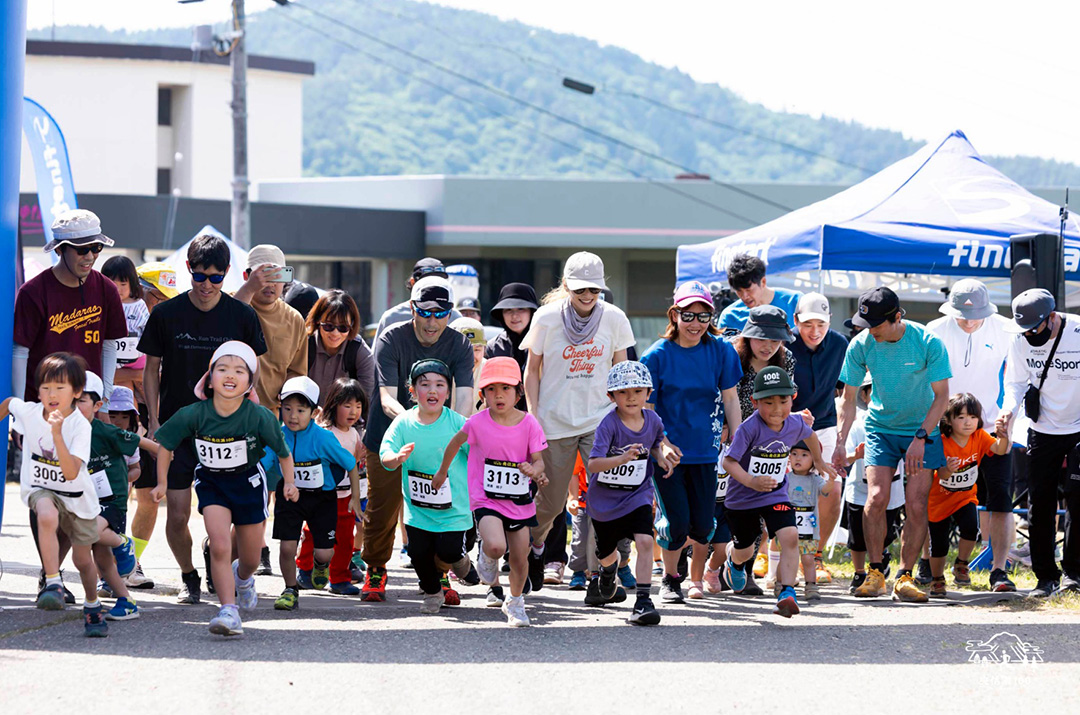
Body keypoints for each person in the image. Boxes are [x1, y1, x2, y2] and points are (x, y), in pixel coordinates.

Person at [139, 234, 267, 605]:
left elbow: (254, 369)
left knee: (235, 514)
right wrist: (154, 420)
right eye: (199, 276)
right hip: (178, 429)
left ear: (227, 274)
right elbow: (151, 369)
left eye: (215, 277)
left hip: (229, 431)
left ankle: (220, 557)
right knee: (177, 514)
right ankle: (188, 575)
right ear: (188, 271)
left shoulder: (242, 315)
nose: (207, 285)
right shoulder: (166, 313)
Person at [154, 341, 294, 636]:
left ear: (249, 382)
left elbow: (283, 452)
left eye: (239, 371)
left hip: (248, 483)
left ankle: (243, 579)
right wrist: (163, 482)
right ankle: (228, 610)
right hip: (212, 482)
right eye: (223, 369)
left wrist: (290, 482)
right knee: (219, 545)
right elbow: (165, 444)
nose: (230, 375)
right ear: (210, 377)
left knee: (251, 559)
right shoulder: (193, 413)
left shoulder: (259, 416)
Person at [521, 252, 637, 592]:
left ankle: (608, 571)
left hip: (598, 420)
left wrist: (624, 419)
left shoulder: (615, 318)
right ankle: (534, 550)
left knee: (609, 497)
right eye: (580, 290)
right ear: (566, 286)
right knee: (551, 503)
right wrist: (533, 415)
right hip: (553, 421)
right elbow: (532, 371)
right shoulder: (546, 318)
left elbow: (622, 373)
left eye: (594, 290)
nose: (587, 297)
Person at [361, 277, 475, 602]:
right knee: (383, 508)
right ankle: (376, 569)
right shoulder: (391, 338)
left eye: (441, 313)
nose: (432, 321)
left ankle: (439, 575)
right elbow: (386, 398)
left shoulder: (460, 344)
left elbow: (465, 400)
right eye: (425, 312)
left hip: (441, 439)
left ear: (451, 313)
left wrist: (452, 434)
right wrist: (415, 423)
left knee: (439, 506)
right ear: (412, 309)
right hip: (391, 433)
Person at [834, 286, 951, 603]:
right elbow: (847, 397)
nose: (869, 331)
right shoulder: (861, 344)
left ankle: (905, 576)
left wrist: (921, 437)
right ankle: (874, 573)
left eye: (875, 325)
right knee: (875, 497)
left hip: (921, 429)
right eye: (865, 324)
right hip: (880, 428)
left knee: (916, 504)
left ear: (897, 317)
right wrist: (840, 442)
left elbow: (942, 398)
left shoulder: (927, 342)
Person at [640, 280, 742, 602]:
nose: (695, 323)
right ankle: (671, 579)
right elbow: (647, 409)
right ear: (674, 315)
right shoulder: (655, 356)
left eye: (703, 316)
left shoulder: (721, 350)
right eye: (688, 315)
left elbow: (731, 400)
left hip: (706, 451)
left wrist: (737, 441)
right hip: (668, 453)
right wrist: (659, 445)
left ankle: (693, 576)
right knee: (677, 522)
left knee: (702, 525)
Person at [434, 357, 548, 626]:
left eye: (506, 388)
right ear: (482, 394)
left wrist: (535, 470)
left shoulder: (529, 423)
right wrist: (442, 472)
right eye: (491, 389)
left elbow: (540, 459)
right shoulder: (477, 422)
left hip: (519, 500)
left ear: (518, 393)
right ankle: (487, 551)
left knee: (520, 557)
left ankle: (516, 602)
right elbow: (453, 445)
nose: (499, 395)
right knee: (497, 546)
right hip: (486, 498)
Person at [1, 353, 107, 636]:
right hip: (42, 488)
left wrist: (57, 434)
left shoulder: (79, 426)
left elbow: (71, 472)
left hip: (77, 497)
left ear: (77, 392)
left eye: (60, 388)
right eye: (46, 387)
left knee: (83, 562)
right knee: (45, 514)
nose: (52, 394)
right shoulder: (31, 412)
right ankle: (52, 582)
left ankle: (92, 605)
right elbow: (10, 404)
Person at [722, 367, 837, 618]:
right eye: (768, 402)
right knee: (747, 547)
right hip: (742, 498)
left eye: (783, 401)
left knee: (790, 536)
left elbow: (810, 435)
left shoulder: (794, 422)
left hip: (775, 493)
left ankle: (787, 592)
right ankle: (735, 561)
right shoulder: (748, 428)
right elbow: (729, 462)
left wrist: (818, 461)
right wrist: (751, 481)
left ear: (792, 399)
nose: (777, 409)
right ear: (754, 402)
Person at [927, 278, 1016, 591]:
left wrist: (1008, 412)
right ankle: (927, 564)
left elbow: (1016, 376)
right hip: (943, 428)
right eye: (961, 315)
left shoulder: (1006, 329)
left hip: (989, 426)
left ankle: (999, 569)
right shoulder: (934, 330)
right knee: (930, 496)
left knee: (1001, 499)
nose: (968, 321)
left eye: (975, 315)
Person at [1000, 288, 1080, 597]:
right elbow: (1015, 383)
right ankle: (1046, 577)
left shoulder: (1076, 330)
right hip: (1042, 428)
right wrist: (1008, 412)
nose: (1030, 334)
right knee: (1039, 503)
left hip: (1077, 428)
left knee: (1077, 499)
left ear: (1051, 317)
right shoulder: (1019, 340)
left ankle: (1074, 576)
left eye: (1035, 327)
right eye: (1024, 329)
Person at [380, 359, 474, 614]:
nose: (432, 390)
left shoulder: (457, 422)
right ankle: (433, 592)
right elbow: (385, 453)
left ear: (447, 392)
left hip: (454, 507)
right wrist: (396, 458)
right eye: (425, 385)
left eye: (439, 385)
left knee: (449, 550)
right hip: (418, 507)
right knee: (418, 553)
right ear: (412, 391)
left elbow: (479, 451)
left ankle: (461, 561)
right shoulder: (403, 423)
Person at [585, 361, 672, 624]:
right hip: (605, 502)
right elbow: (593, 464)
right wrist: (622, 458)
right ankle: (608, 571)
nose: (631, 397)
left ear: (648, 393)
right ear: (611, 397)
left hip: (638, 496)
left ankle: (643, 601)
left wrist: (664, 454)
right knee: (607, 553)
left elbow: (657, 443)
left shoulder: (653, 419)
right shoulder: (609, 424)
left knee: (646, 541)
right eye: (623, 392)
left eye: (637, 390)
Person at [13, 209, 126, 412]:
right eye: (82, 249)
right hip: (42, 407)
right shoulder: (33, 292)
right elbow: (20, 351)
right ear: (59, 250)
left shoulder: (107, 289)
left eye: (96, 247)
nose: (90, 256)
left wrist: (104, 403)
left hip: (87, 407)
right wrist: (21, 409)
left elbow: (109, 346)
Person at [267, 377, 359, 611]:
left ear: (314, 411)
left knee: (325, 552)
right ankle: (290, 589)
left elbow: (350, 464)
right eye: (287, 409)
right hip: (289, 496)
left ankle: (320, 565)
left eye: (300, 410)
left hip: (322, 499)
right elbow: (262, 463)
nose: (293, 416)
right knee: (287, 547)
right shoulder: (277, 436)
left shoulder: (323, 438)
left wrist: (355, 498)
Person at [76, 371, 156, 620]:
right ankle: (126, 601)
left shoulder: (106, 431)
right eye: (71, 400)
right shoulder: (66, 431)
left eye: (81, 401)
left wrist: (163, 463)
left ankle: (123, 543)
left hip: (112, 502)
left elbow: (148, 446)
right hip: (88, 501)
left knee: (90, 533)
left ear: (97, 405)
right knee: (102, 560)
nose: (74, 407)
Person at [731, 304, 798, 590]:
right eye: (761, 338)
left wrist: (795, 418)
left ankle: (745, 573)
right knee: (735, 514)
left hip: (768, 445)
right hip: (735, 440)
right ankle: (722, 566)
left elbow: (786, 400)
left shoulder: (787, 359)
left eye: (775, 339)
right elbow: (723, 396)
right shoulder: (733, 357)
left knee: (767, 508)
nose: (768, 346)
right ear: (748, 336)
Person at [789, 292, 848, 583]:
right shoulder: (783, 344)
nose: (815, 331)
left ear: (829, 323)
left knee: (830, 490)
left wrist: (841, 435)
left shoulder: (840, 344)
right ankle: (766, 553)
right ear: (796, 320)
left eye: (821, 325)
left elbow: (845, 389)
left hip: (823, 424)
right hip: (783, 424)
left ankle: (814, 556)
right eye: (808, 324)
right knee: (776, 491)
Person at [929, 393, 1011, 598]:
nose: (968, 422)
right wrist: (947, 469)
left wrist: (1003, 437)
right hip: (938, 500)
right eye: (961, 417)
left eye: (973, 417)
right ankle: (937, 579)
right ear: (949, 419)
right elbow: (941, 476)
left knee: (970, 529)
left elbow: (999, 451)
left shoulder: (980, 436)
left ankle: (961, 564)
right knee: (939, 545)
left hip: (965, 497)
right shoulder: (941, 441)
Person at [294, 378, 369, 594]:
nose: (353, 411)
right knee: (313, 534)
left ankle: (339, 578)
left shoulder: (354, 433)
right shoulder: (322, 432)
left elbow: (356, 468)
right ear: (333, 405)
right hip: (322, 496)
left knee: (345, 539)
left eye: (358, 406)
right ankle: (305, 569)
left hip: (345, 497)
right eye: (347, 405)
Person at [842, 375, 904, 594]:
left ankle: (880, 558)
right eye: (874, 392)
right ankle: (860, 572)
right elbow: (844, 456)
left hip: (893, 490)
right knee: (857, 537)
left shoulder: (902, 422)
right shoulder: (859, 425)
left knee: (885, 532)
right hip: (860, 490)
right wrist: (855, 455)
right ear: (865, 396)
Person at [234, 244, 308, 413]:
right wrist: (248, 289)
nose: (271, 283)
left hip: (270, 418)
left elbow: (297, 372)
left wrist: (289, 391)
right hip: (228, 413)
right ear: (247, 276)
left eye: (277, 275)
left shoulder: (294, 319)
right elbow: (226, 324)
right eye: (263, 275)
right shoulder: (232, 302)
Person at [785, 440, 838, 601]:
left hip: (808, 528)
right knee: (786, 557)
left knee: (808, 558)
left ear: (814, 460)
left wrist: (830, 481)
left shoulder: (815, 480)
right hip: (789, 526)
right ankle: (782, 584)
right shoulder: (785, 478)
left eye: (804, 455)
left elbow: (825, 490)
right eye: (794, 454)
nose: (798, 459)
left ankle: (810, 585)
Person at [306, 289, 376, 406]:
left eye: (343, 327)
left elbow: (365, 400)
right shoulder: (303, 344)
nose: (335, 333)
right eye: (328, 326)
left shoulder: (360, 352)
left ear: (352, 325)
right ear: (318, 321)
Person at [374, 258, 462, 339]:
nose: (432, 322)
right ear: (413, 282)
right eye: (424, 313)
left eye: (440, 315)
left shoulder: (456, 317)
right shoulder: (392, 317)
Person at [485, 282, 540, 406]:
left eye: (521, 309)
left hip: (541, 412)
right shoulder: (494, 347)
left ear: (532, 312)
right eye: (508, 310)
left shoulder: (543, 342)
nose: (514, 316)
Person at [101, 255, 150, 395]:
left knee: (143, 390)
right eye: (112, 284)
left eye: (123, 285)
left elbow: (147, 330)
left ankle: (150, 416)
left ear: (132, 284)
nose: (118, 289)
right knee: (123, 389)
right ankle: (128, 414)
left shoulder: (139, 304)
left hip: (136, 357)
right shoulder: (102, 304)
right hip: (112, 357)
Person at [717, 253, 802, 332]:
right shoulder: (730, 316)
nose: (744, 296)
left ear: (763, 282)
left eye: (748, 290)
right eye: (739, 291)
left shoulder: (796, 301)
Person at [450, 316, 488, 404]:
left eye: (477, 350)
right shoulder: (436, 373)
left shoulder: (491, 372)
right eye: (464, 350)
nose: (470, 357)